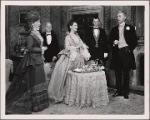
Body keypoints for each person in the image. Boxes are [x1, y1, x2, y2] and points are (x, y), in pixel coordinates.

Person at [6, 11, 49, 114]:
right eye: (38, 21)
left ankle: (40, 103)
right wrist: (41, 49)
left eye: (39, 21)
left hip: (38, 60)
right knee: (35, 82)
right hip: (33, 61)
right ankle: (34, 104)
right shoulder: (31, 35)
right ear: (33, 23)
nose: (39, 23)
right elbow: (29, 48)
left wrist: (41, 52)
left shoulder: (37, 33)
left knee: (40, 80)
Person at [48, 19, 90, 104]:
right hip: (71, 58)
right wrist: (76, 47)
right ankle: (67, 94)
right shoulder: (68, 37)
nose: (76, 27)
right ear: (70, 27)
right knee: (68, 77)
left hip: (79, 58)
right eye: (75, 25)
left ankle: (76, 95)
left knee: (78, 77)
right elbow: (67, 47)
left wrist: (83, 47)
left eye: (77, 25)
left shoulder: (77, 36)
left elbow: (82, 44)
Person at [109, 11, 137, 99]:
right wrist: (113, 42)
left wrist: (129, 49)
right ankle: (118, 91)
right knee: (117, 73)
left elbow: (134, 41)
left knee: (125, 73)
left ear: (124, 17)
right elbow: (109, 40)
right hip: (117, 52)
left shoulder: (130, 28)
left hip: (126, 52)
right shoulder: (114, 29)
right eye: (117, 16)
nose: (118, 18)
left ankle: (125, 92)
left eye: (120, 16)